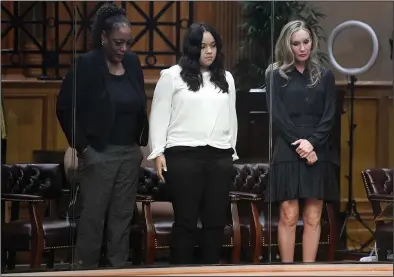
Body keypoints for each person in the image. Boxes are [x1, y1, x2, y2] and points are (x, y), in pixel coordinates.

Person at [56, 3, 148, 269]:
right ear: (104, 37)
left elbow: (140, 103)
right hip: (99, 153)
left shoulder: (132, 63)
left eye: (128, 43)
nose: (124, 49)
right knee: (93, 218)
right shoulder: (86, 64)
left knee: (122, 218)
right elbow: (64, 107)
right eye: (118, 43)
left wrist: (139, 146)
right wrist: (84, 148)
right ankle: (85, 271)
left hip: (129, 153)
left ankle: (118, 269)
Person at [147, 23, 238, 265]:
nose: (209, 51)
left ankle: (210, 269)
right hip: (183, 157)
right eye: (202, 47)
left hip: (219, 157)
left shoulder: (226, 78)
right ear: (191, 48)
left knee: (215, 222)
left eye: (213, 46)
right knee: (186, 221)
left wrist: (231, 151)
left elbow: (232, 117)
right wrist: (158, 151)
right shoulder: (172, 76)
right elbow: (158, 116)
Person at [265, 20, 339, 263]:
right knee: (288, 214)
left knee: (313, 217)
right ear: (287, 46)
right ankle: (286, 270)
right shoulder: (275, 74)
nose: (302, 48)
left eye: (306, 42)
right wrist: (302, 145)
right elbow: (277, 117)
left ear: (312, 43)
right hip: (288, 149)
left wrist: (313, 144)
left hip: (318, 150)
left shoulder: (325, 75)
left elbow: (329, 116)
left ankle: (309, 270)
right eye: (296, 43)